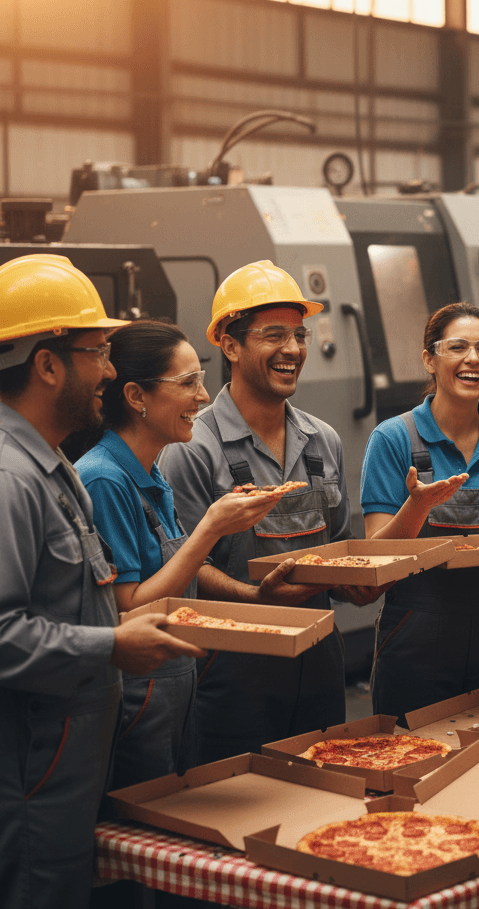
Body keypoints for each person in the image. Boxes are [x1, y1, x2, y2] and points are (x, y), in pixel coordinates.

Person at [0, 254, 203, 909]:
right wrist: (112, 644)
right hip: (33, 777)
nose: (111, 372)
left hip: (74, 765)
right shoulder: (11, 480)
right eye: (96, 352)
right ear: (47, 363)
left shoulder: (53, 467)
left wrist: (116, 633)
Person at [159, 260, 372, 762]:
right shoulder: (193, 448)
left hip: (319, 662)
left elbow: (337, 547)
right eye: (273, 335)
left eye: (299, 335)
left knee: (320, 801)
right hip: (233, 672)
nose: (294, 350)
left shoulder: (325, 441)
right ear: (230, 345)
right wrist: (254, 596)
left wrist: (358, 579)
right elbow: (184, 570)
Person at [76, 320, 283, 790]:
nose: (204, 397)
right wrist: (210, 528)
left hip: (177, 687)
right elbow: (131, 606)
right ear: (136, 396)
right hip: (139, 695)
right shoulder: (104, 479)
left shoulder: (151, 473)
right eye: (188, 383)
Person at [361, 302, 479, 722]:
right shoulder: (393, 439)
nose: (473, 359)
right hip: (416, 634)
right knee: (411, 759)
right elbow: (374, 556)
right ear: (429, 358)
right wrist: (418, 506)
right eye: (457, 347)